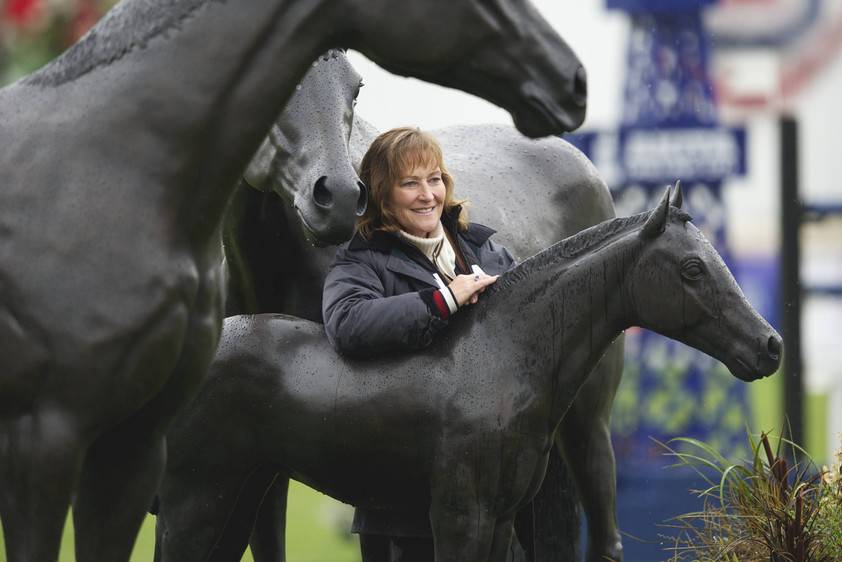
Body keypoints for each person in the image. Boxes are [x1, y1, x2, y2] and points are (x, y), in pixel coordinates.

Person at [322, 127, 516, 561]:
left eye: (434, 179)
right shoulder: (361, 258)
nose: (427, 194)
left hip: (490, 487)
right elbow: (347, 323)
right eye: (409, 183)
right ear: (381, 195)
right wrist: (446, 299)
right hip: (404, 499)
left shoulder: (482, 247)